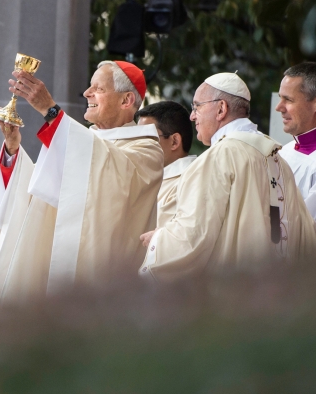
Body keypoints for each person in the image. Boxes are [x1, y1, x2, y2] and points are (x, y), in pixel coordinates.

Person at [0, 60, 163, 308]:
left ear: (126, 100)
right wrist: (12, 151)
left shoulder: (145, 148)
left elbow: (109, 186)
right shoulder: (87, 143)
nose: (87, 93)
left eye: (98, 88)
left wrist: (51, 111)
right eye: (89, 87)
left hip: (102, 285)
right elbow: (41, 194)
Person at [139, 72, 316, 283]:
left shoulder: (219, 158)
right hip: (276, 292)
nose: (192, 116)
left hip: (231, 295)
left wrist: (157, 240)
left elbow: (193, 237)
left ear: (221, 109)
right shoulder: (277, 158)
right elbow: (300, 233)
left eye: (197, 107)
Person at [135, 101, 196, 227]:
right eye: (136, 138)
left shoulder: (189, 180)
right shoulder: (143, 175)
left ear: (174, 141)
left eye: (146, 138)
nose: (138, 145)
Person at [276, 62, 316, 221]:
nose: (279, 107)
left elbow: (305, 227)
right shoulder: (281, 152)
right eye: (280, 98)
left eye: (288, 100)